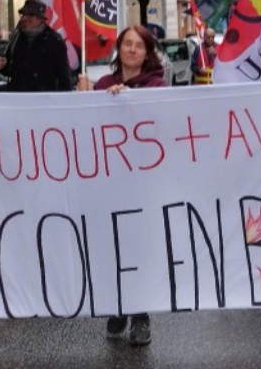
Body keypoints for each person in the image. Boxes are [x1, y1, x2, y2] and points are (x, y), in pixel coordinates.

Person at [77, 25, 167, 346]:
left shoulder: (156, 84)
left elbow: (160, 123)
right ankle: (118, 307)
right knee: (111, 246)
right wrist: (82, 100)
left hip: (142, 182)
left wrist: (133, 101)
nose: (131, 50)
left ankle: (141, 315)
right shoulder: (102, 84)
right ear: (119, 49)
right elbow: (84, 128)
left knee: (138, 249)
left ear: (147, 52)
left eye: (138, 45)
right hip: (108, 182)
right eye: (126, 44)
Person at [0, 0, 72, 92]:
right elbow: (9, 70)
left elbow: (63, 76)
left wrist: (64, 100)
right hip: (18, 99)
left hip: (43, 100)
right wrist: (1, 66)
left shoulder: (55, 40)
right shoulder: (16, 37)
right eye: (23, 14)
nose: (24, 18)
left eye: (30, 15)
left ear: (41, 18)